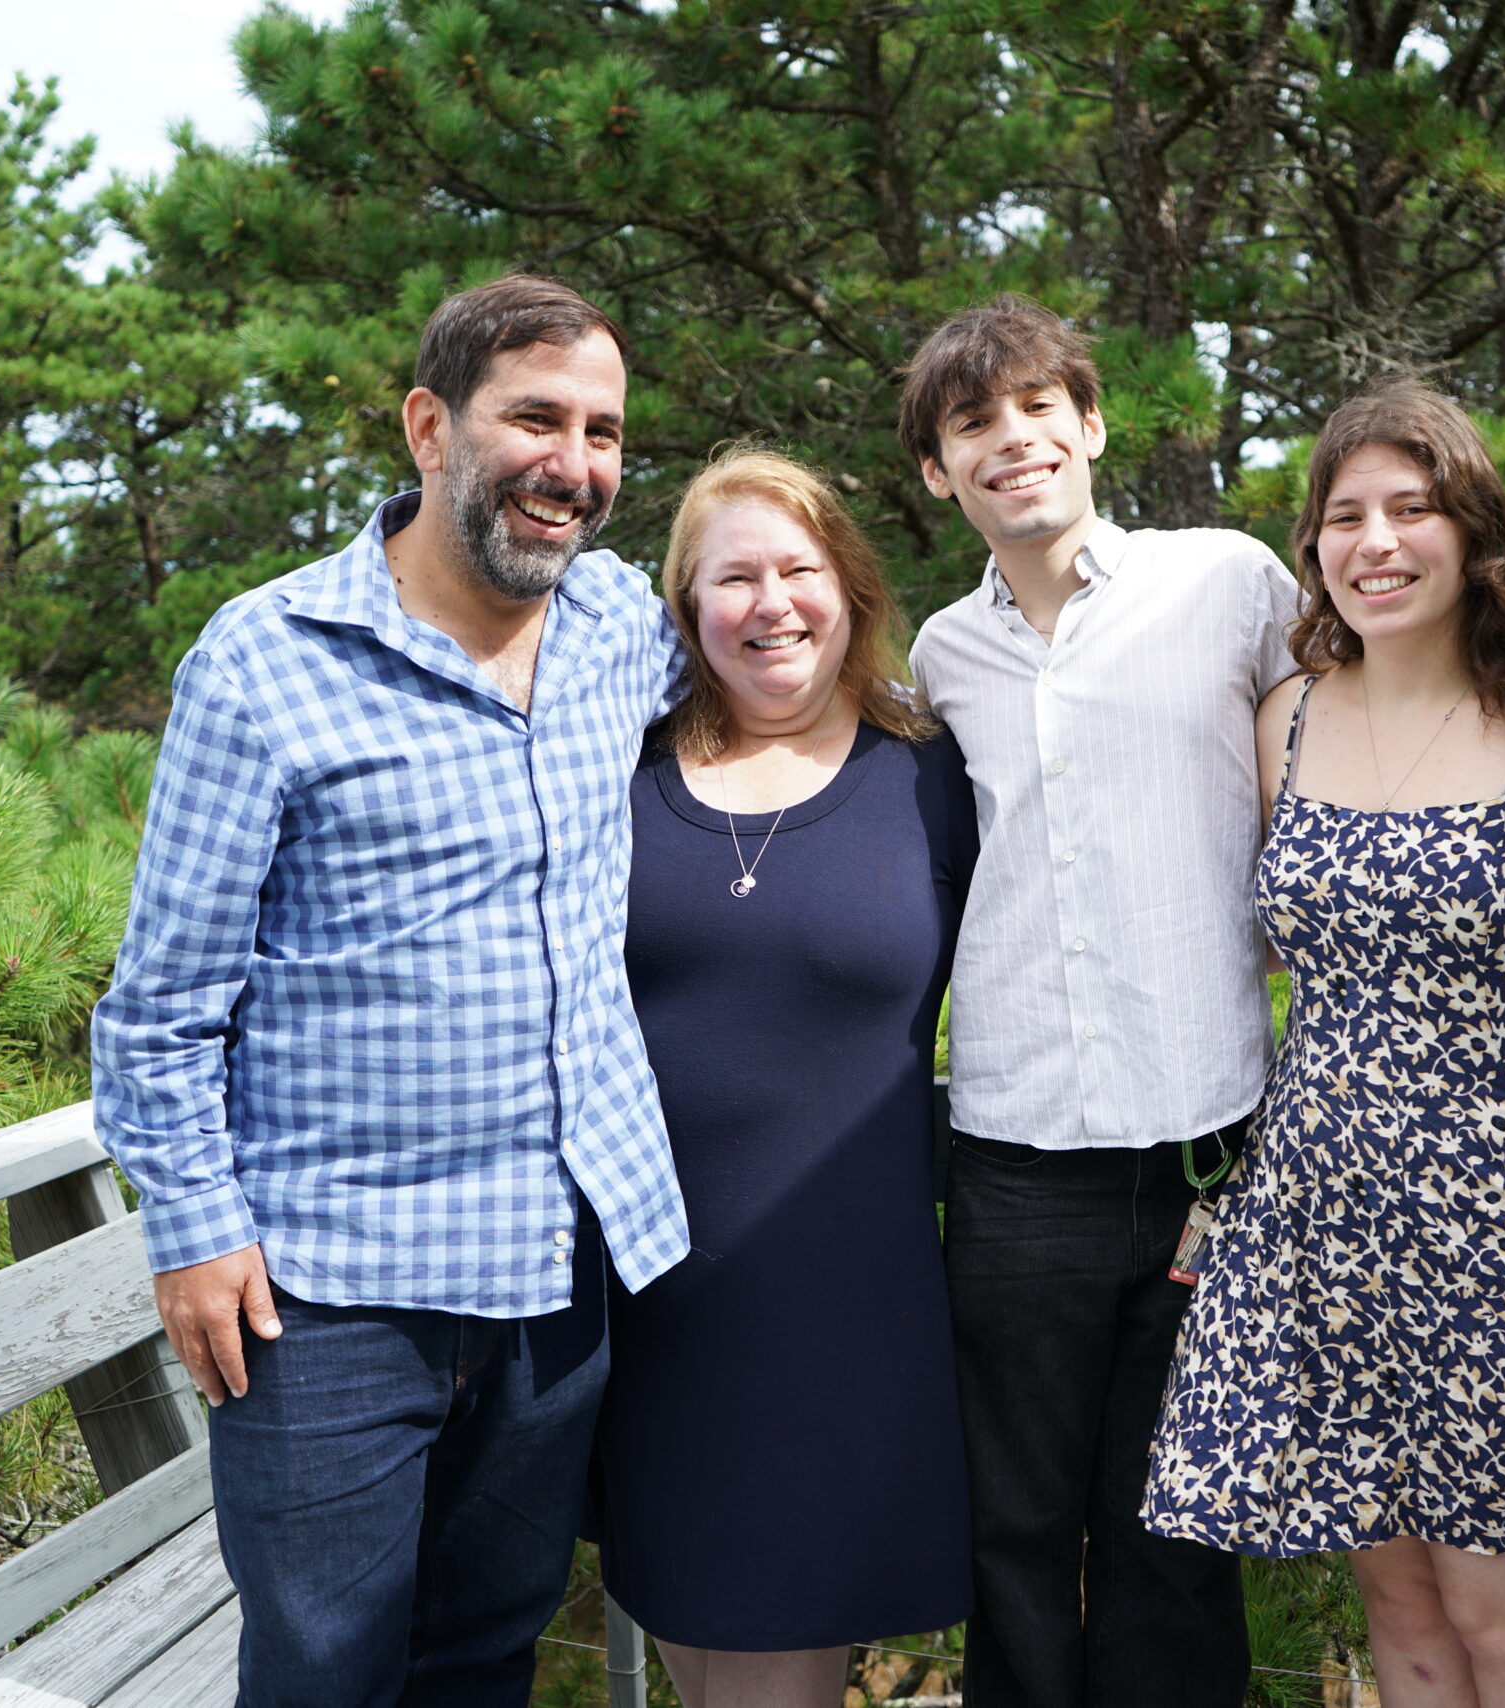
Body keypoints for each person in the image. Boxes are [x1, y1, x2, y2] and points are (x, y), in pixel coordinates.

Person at [897, 299, 1505, 1708]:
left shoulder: (1226, 583)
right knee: (1015, 1537)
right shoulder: (941, 661)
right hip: (1015, 1157)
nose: (1013, 441)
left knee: (1182, 1534)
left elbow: (1380, 704)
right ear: (938, 471)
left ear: (1093, 424)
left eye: (1039, 407)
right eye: (971, 423)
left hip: (1217, 1157)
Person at [92, 275, 692, 1708]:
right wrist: (192, 1235)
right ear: (430, 426)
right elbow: (159, 1008)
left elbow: (786, 681)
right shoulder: (265, 661)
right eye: (535, 419)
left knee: (483, 1657)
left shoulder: (617, 626)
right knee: (326, 1676)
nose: (576, 466)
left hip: (560, 1275)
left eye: (604, 433)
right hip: (330, 1301)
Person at [1139, 379, 1505, 1708]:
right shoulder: (1283, 722)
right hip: (1318, 1227)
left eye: (1412, 509)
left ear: (1473, 535)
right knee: (1401, 1618)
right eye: (1344, 517)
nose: (1376, 542)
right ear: (1313, 552)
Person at [591, 446, 977, 1708]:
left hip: (836, 1315)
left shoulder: (934, 771)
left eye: (799, 569)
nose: (771, 603)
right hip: (644, 1309)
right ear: (687, 608)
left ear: (851, 588)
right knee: (702, 1659)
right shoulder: (620, 771)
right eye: (732, 577)